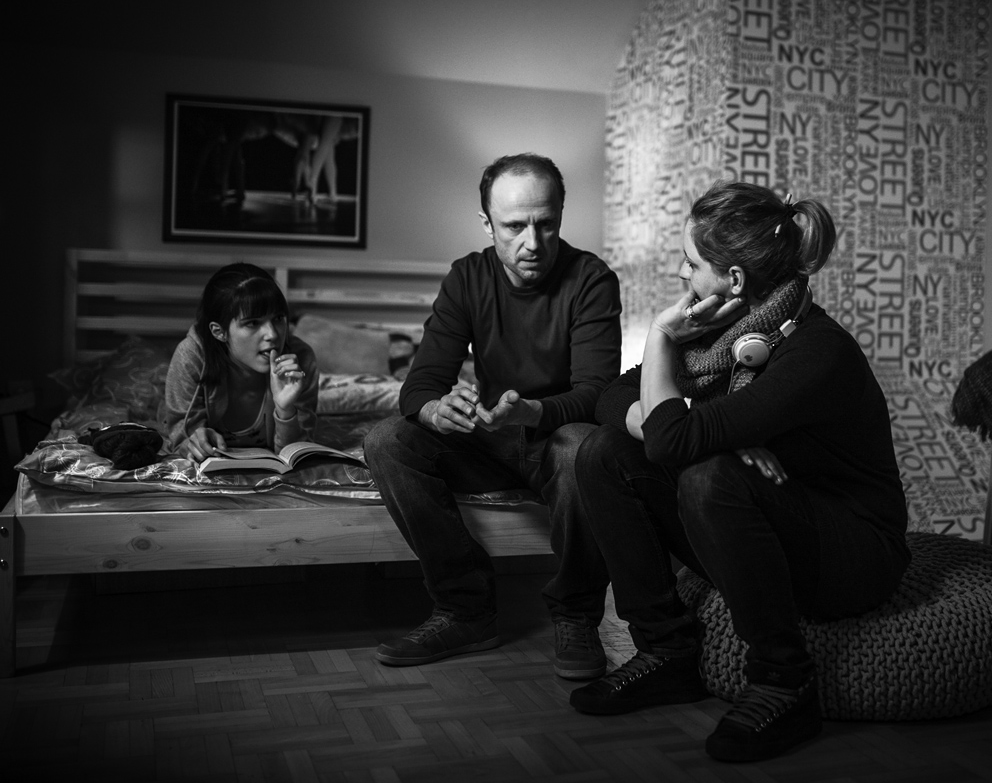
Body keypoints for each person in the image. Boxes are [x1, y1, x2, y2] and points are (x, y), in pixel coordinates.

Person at [568, 181, 910, 763]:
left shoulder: (817, 351)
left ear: (733, 278)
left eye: (691, 262)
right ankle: (667, 651)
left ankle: (785, 682)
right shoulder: (721, 333)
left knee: (709, 477)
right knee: (603, 452)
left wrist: (661, 339)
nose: (681, 273)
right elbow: (614, 396)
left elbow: (672, 437)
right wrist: (681, 418)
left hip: (852, 554)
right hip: (773, 524)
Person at [363, 153, 622, 679]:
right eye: (515, 226)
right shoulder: (467, 277)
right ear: (487, 223)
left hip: (556, 440)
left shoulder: (591, 278)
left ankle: (577, 616)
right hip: (490, 440)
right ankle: (466, 611)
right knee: (386, 440)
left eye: (546, 224)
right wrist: (436, 410)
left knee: (583, 445)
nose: (533, 242)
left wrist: (532, 411)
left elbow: (597, 394)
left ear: (561, 214)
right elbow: (419, 385)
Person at [164, 263, 318, 462]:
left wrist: (286, 411)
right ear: (219, 332)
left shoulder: (299, 360)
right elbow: (181, 442)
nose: (272, 334)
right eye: (253, 323)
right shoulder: (192, 357)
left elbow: (296, 454)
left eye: (278, 318)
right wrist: (193, 444)